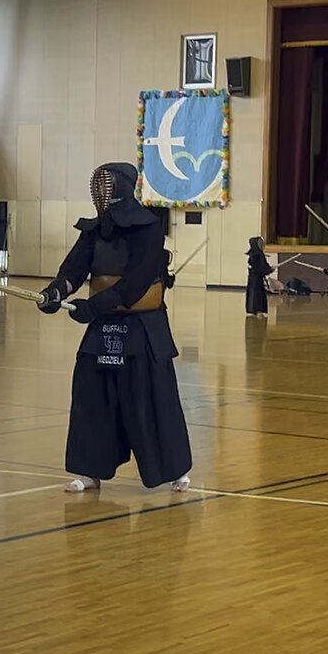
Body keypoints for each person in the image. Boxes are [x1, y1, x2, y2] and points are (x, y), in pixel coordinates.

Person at [38, 162, 193, 493]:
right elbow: (74, 270)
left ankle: (175, 469)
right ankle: (89, 471)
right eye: (98, 185)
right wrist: (55, 293)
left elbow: (136, 282)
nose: (101, 192)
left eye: (107, 185)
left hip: (143, 327)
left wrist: (95, 306)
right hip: (105, 326)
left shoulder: (149, 229)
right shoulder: (95, 231)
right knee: (91, 395)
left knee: (152, 399)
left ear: (124, 186)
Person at [245, 237, 272, 317]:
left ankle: (255, 310)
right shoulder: (257, 255)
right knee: (256, 294)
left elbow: (262, 266)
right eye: (261, 243)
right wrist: (269, 270)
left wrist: (269, 268)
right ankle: (256, 310)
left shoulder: (255, 254)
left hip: (256, 278)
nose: (263, 245)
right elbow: (260, 267)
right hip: (255, 278)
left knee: (256, 293)